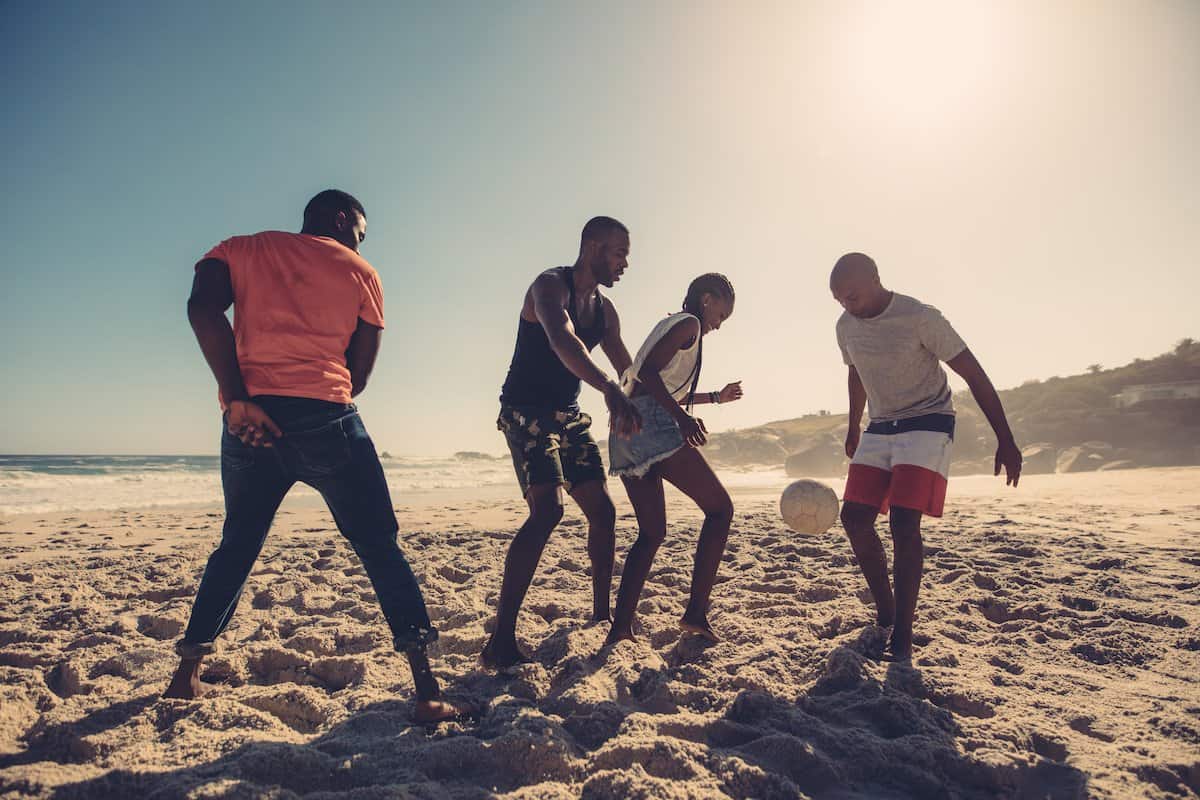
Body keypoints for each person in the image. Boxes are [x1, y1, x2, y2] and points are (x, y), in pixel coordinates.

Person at [164, 190, 466, 722]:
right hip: (327, 419)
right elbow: (360, 375)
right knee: (379, 545)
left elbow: (200, 307)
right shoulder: (361, 272)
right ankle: (426, 691)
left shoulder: (241, 248)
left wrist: (238, 398)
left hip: (249, 423)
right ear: (343, 218)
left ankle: (185, 675)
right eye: (362, 232)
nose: (361, 242)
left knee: (237, 544)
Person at [830, 252, 1022, 661]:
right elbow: (855, 372)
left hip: (928, 421)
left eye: (853, 296)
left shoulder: (920, 316)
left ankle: (902, 632)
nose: (848, 306)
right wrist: (852, 426)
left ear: (876, 280)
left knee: (902, 523)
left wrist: (1004, 438)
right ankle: (886, 612)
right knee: (854, 519)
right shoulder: (845, 326)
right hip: (881, 425)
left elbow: (973, 373)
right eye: (840, 300)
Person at [480, 216, 642, 670]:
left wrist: (663, 405)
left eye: (627, 255)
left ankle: (601, 614)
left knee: (604, 512)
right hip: (525, 412)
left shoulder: (606, 311)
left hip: (568, 418)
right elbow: (562, 342)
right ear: (591, 246)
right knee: (548, 511)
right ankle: (501, 641)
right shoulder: (550, 287)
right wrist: (609, 390)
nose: (625, 263)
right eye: (618, 252)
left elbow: (628, 369)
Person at [606, 273, 743, 645]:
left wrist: (715, 398)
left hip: (624, 427)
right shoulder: (690, 323)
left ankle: (621, 628)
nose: (718, 324)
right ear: (707, 299)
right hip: (651, 422)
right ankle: (696, 613)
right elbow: (650, 375)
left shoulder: (669, 325)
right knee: (720, 510)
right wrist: (681, 420)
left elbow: (654, 382)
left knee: (651, 534)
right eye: (721, 315)